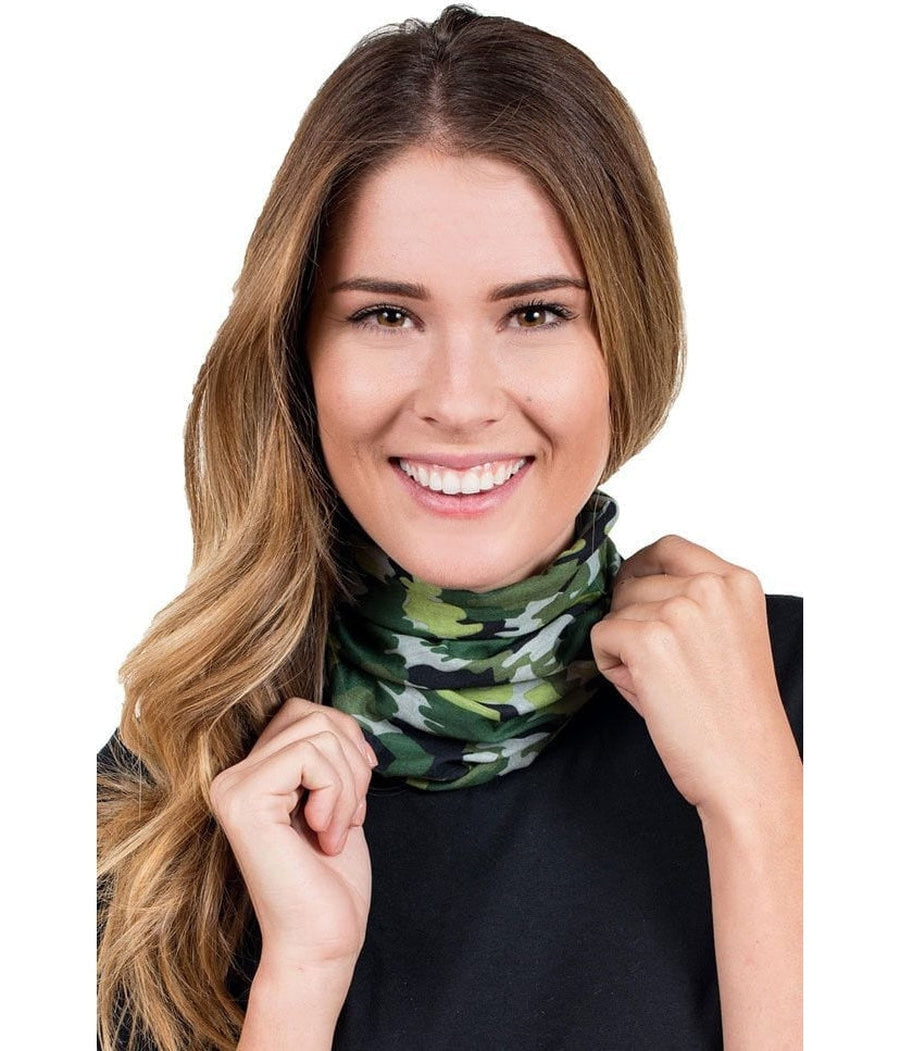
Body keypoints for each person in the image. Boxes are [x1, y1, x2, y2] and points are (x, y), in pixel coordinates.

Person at [97, 6, 802, 1050]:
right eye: (387, 315)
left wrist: (763, 810)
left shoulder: (807, 697)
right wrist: (301, 976)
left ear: (628, 343)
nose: (460, 402)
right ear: (299, 356)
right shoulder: (163, 795)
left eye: (536, 313)